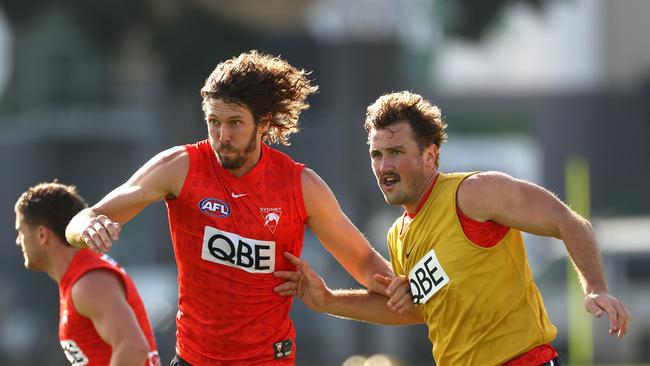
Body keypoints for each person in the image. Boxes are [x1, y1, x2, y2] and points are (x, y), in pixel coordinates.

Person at [65, 50, 394, 365]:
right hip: (194, 360)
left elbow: (364, 261)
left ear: (263, 123)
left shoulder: (300, 185)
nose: (222, 135)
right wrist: (87, 228)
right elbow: (84, 219)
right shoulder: (180, 167)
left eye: (235, 122)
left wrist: (401, 289)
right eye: (214, 122)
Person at [273, 91, 631, 366]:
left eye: (396, 151)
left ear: (431, 155)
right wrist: (329, 300)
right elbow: (417, 312)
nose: (384, 166)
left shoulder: (473, 193)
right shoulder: (399, 235)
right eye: (376, 154)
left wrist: (595, 288)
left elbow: (568, 222)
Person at [14, 181, 160, 366]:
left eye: (21, 231)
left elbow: (133, 348)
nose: (19, 241)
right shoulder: (80, 276)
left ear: (42, 234)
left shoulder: (89, 282)